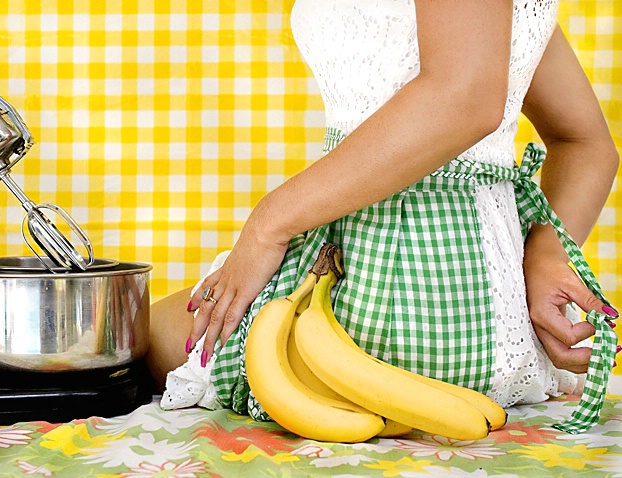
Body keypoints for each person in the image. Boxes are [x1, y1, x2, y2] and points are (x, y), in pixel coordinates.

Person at [145, 0, 620, 427]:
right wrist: (543, 255)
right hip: (495, 305)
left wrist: (268, 224)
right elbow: (586, 143)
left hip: (397, 291)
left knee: (131, 338)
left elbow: (466, 97)